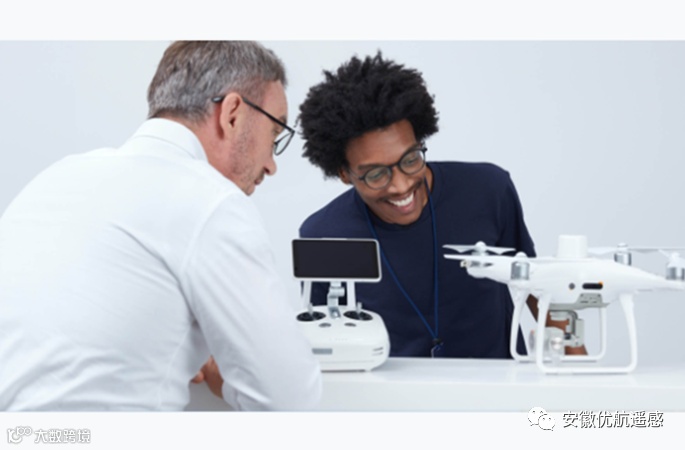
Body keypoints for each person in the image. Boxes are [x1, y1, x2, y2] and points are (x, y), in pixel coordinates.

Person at [0, 41, 321, 411]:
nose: (271, 165)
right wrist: (227, 379)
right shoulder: (210, 200)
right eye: (275, 135)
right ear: (232, 114)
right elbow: (290, 401)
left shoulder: (58, 177)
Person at [298, 52, 555, 358]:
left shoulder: (489, 190)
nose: (401, 186)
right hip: (388, 387)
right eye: (376, 174)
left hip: (496, 383)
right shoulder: (324, 234)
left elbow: (535, 285)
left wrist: (578, 367)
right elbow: (323, 337)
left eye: (410, 160)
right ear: (344, 174)